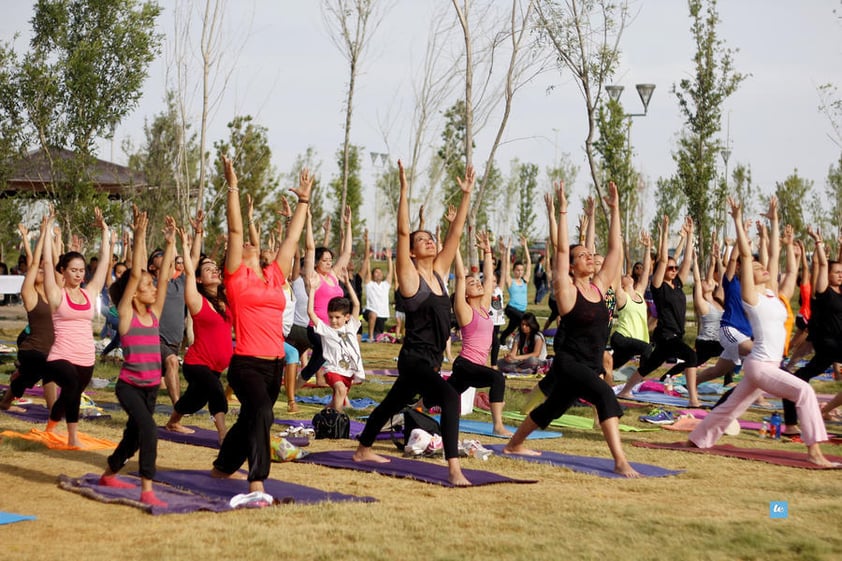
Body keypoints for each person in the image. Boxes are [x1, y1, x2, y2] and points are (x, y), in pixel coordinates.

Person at [685, 198, 835, 467]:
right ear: (748, 278)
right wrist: (737, 221)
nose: (762, 267)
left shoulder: (775, 296)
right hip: (762, 366)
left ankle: (697, 439)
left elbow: (781, 261)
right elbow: (744, 256)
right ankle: (814, 452)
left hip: (763, 366)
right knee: (805, 392)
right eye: (755, 268)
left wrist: (775, 222)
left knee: (731, 407)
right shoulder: (750, 297)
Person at [504, 182, 640, 477]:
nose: (590, 258)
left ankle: (514, 444)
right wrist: (563, 211)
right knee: (605, 394)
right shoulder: (566, 291)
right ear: (571, 265)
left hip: (589, 364)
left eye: (591, 255)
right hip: (569, 363)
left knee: (553, 408)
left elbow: (616, 249)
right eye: (583, 256)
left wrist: (615, 209)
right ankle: (620, 460)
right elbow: (561, 248)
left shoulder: (600, 286)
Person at [353, 160, 474, 486]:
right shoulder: (409, 277)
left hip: (430, 361)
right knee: (449, 399)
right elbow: (403, 231)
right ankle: (453, 468)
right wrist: (404, 189)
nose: (429, 241)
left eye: (430, 239)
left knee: (392, 403)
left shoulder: (439, 272)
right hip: (415, 359)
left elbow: (456, 233)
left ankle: (363, 449)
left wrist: (466, 195)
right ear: (412, 251)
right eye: (422, 241)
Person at [210, 156, 311, 498]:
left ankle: (222, 467)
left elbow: (292, 241)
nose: (247, 245)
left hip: (275, 366)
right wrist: (232, 184)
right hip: (247, 365)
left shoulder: (273, 276)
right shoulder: (236, 278)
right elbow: (236, 229)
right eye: (243, 246)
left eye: (254, 246)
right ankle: (257, 480)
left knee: (248, 419)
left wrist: (303, 202)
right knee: (263, 415)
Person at [98, 210, 176, 506]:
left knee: (133, 436)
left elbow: (165, 278)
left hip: (151, 387)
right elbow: (134, 275)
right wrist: (140, 236)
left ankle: (109, 473)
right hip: (129, 386)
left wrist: (170, 245)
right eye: (147, 286)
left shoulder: (153, 315)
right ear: (133, 295)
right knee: (148, 431)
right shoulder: (127, 317)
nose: (152, 287)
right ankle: (147, 489)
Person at [42, 208, 112, 447]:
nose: (78, 274)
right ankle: (72, 437)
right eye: (73, 269)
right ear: (63, 271)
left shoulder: (89, 292)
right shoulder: (56, 293)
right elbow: (48, 260)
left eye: (81, 270)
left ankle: (51, 427)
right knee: (71, 384)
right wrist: (47, 229)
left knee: (71, 394)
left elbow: (104, 264)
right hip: (60, 355)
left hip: (86, 356)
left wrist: (105, 232)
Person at [617, 215, 702, 408]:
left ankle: (625, 391)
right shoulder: (658, 286)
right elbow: (663, 259)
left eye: (675, 268)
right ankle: (693, 400)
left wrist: (690, 235)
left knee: (649, 366)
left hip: (673, 335)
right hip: (666, 335)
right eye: (670, 268)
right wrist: (664, 231)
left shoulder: (678, 284)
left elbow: (687, 259)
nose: (673, 270)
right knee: (691, 357)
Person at [165, 225, 233, 443]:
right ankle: (223, 434)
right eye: (207, 269)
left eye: (215, 268)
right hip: (196, 364)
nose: (214, 270)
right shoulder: (197, 301)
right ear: (200, 280)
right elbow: (188, 271)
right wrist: (186, 245)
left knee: (193, 402)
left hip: (216, 366)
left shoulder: (226, 300)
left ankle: (174, 420)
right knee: (216, 391)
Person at [781, 224, 842, 436]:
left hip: (832, 347)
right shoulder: (823, 291)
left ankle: (790, 421)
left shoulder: (841, 292)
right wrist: (818, 241)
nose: (840, 275)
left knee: (800, 378)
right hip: (826, 341)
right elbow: (822, 265)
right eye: (837, 272)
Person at [449, 232, 511, 436]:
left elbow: (490, 279)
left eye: (478, 282)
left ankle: (416, 408)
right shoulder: (464, 310)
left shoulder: (484, 307)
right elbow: (459, 276)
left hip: (472, 367)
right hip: (466, 365)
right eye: (472, 283)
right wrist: (455, 244)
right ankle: (498, 425)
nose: (477, 284)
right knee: (498, 378)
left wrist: (487, 250)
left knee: (442, 395)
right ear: (464, 293)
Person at [0, 216, 57, 412]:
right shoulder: (29, 294)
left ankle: (6, 400)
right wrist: (38, 236)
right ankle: (54, 414)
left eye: (43, 269)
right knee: (49, 370)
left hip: (49, 349)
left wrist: (52, 237)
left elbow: (54, 263)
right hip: (32, 348)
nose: (41, 270)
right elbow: (33, 264)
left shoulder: (53, 292)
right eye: (38, 270)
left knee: (25, 379)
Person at [299, 205, 353, 383]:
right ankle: (335, 390)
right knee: (325, 352)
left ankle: (299, 383)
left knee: (318, 360)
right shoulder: (312, 276)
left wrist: (348, 224)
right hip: (316, 325)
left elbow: (346, 253)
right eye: (325, 260)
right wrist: (308, 221)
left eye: (330, 260)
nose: (329, 263)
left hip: (334, 325)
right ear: (317, 263)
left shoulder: (333, 276)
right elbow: (309, 248)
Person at [307, 270, 364, 411]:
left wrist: (347, 284)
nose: (333, 320)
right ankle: (337, 421)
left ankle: (324, 417)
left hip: (349, 372)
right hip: (333, 370)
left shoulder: (351, 326)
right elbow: (310, 312)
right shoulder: (326, 330)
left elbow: (356, 304)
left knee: (337, 398)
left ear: (347, 317)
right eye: (331, 317)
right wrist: (313, 290)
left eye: (337, 317)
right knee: (339, 390)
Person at [608, 231, 654, 375]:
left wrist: (647, 248)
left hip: (633, 341)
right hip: (621, 338)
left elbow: (646, 271)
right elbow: (617, 268)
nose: (628, 275)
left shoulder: (639, 292)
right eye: (624, 276)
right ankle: (639, 381)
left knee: (609, 366)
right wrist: (619, 246)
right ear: (621, 283)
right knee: (647, 348)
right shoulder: (622, 297)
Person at [497, 235, 532, 347]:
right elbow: (506, 266)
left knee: (511, 328)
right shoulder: (510, 280)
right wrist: (508, 249)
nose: (520, 272)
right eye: (517, 270)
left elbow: (529, 263)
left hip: (522, 310)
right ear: (514, 270)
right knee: (525, 321)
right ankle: (523, 343)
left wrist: (525, 246)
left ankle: (501, 341)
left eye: (522, 270)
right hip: (511, 309)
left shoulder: (524, 281)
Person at [361, 229, 392, 343]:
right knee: (373, 314)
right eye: (376, 272)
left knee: (379, 335)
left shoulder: (385, 285)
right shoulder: (370, 284)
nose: (378, 273)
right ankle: (369, 337)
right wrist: (367, 256)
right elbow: (367, 270)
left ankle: (373, 335)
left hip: (383, 314)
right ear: (373, 275)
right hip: (370, 311)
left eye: (380, 272)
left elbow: (390, 273)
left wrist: (389, 258)